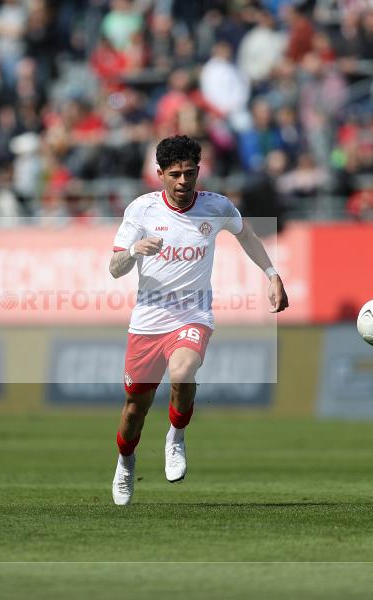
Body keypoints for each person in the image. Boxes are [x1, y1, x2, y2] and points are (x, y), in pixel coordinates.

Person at [108, 135, 289, 505]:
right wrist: (132, 250)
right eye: (174, 174)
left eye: (189, 173)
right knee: (133, 410)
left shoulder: (216, 207)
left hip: (193, 315)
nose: (182, 182)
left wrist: (271, 274)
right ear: (159, 174)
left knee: (182, 371)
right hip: (147, 322)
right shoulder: (141, 211)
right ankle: (125, 463)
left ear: (199, 171)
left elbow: (247, 235)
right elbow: (114, 268)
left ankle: (176, 436)